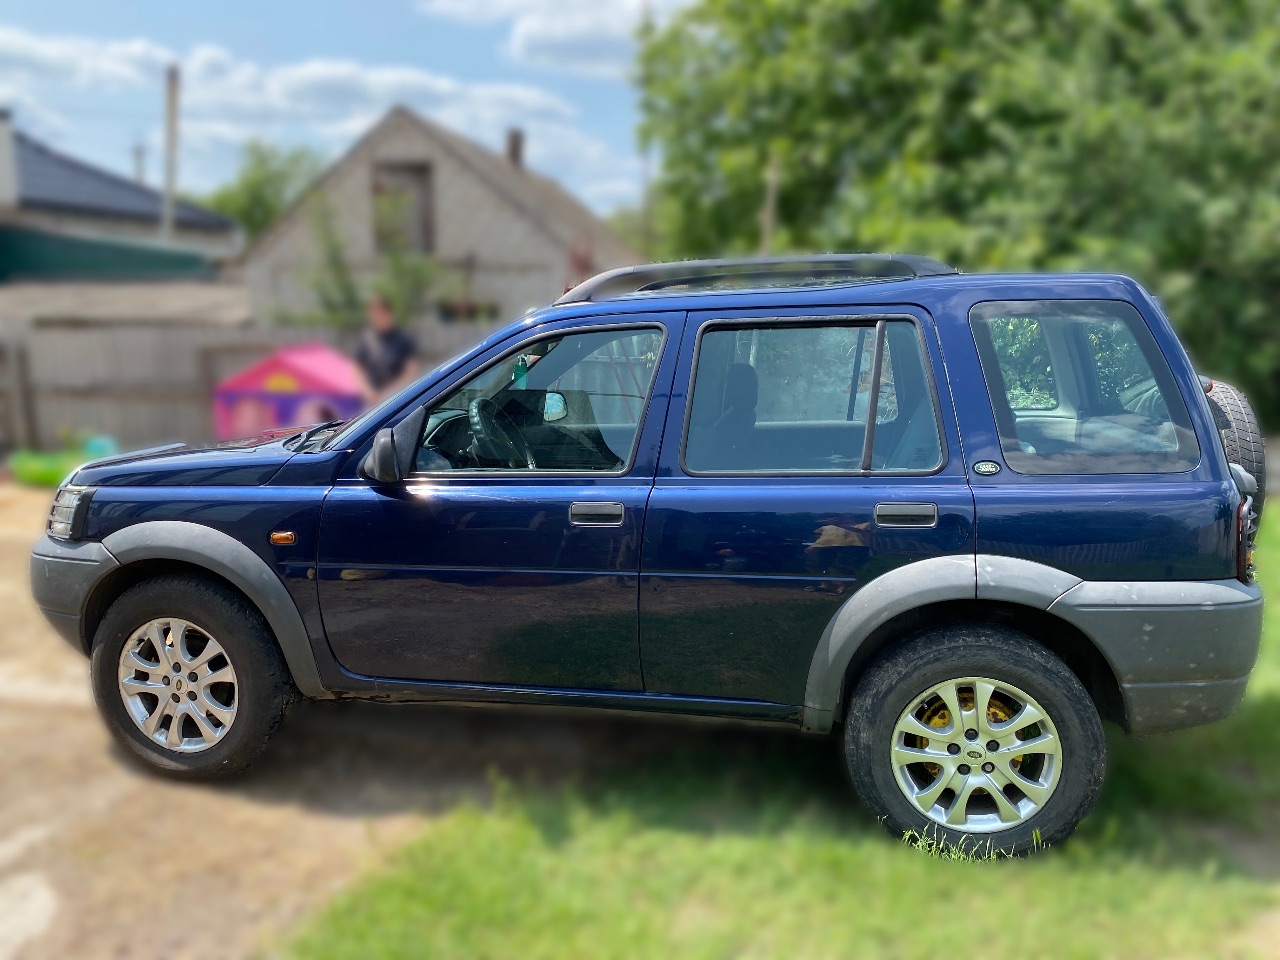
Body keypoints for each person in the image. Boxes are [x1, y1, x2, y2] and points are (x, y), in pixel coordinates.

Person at [354, 296, 421, 404]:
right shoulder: (367, 340)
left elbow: (412, 370)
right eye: (373, 314)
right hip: (372, 402)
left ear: (389, 313)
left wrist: (389, 393)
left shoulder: (404, 338)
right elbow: (357, 368)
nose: (376, 318)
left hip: (398, 400)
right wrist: (368, 391)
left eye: (380, 314)